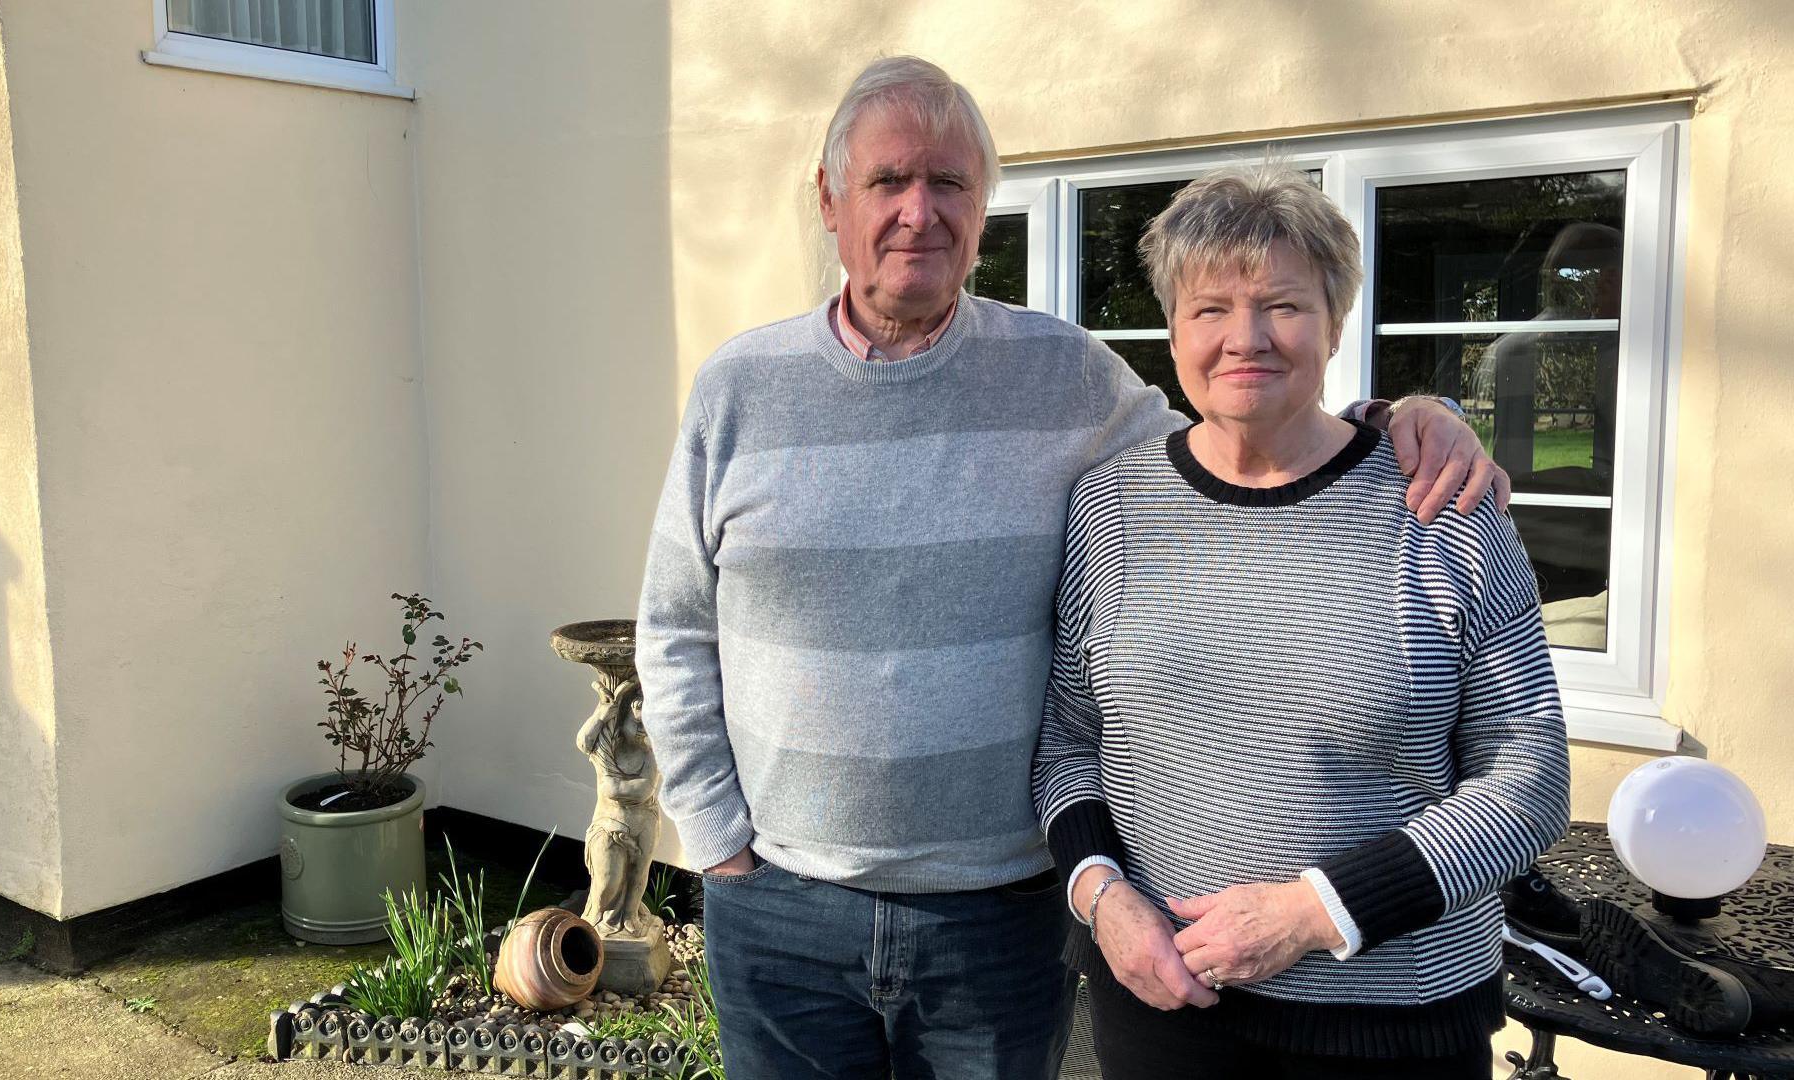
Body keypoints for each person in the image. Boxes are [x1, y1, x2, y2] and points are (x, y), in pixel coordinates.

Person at [636, 57, 1501, 1080]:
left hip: (997, 920)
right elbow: (675, 623)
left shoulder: (1067, 375)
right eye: (889, 181)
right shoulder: (740, 388)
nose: (921, 212)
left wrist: (1394, 418)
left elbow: (1240, 433)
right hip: (781, 908)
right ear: (832, 200)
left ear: (983, 205)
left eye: (950, 184)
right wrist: (715, 840)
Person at [1034, 163, 1571, 1079]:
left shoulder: (1439, 503)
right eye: (1209, 310)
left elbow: (1530, 778)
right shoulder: (1111, 508)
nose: (1245, 338)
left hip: (1393, 1024)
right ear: (1172, 332)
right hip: (1161, 1004)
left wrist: (1315, 914)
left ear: (1333, 324)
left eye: (1282, 305)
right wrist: (1101, 896)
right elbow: (1069, 742)